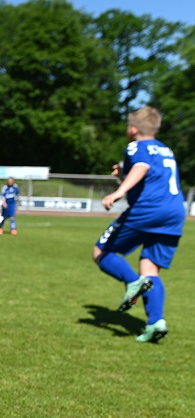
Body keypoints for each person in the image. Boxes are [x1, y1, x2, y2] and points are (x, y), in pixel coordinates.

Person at [95, 106, 186, 343]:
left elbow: (142, 167)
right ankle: (156, 322)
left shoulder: (136, 146)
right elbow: (150, 177)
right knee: (150, 268)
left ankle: (133, 282)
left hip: (149, 209)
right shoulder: (166, 149)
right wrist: (122, 176)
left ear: (133, 129)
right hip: (175, 211)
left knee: (101, 252)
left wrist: (118, 192)